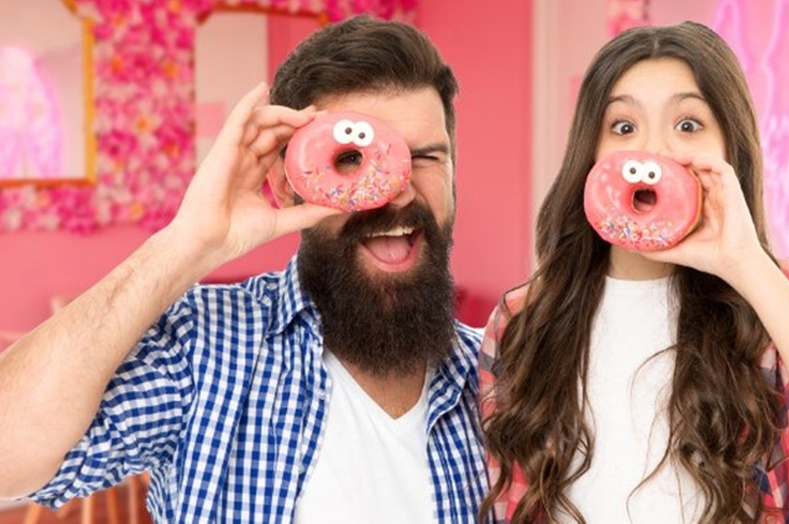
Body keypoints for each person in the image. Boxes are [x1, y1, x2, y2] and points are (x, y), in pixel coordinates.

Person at [0, 15, 487, 523]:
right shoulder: (205, 349)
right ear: (284, 182)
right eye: (352, 159)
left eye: (425, 157)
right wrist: (186, 243)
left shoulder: (499, 376)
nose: (397, 189)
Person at [478, 21, 789, 524]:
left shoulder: (787, 293)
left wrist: (745, 264)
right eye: (623, 127)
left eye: (688, 125)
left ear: (730, 151)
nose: (653, 152)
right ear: (590, 154)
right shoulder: (522, 321)